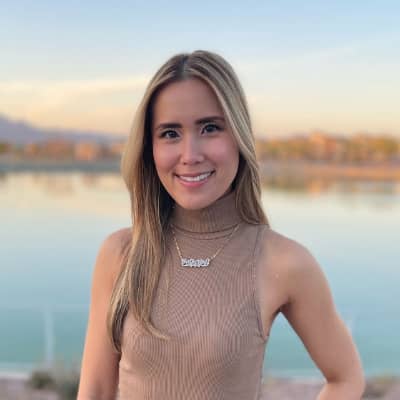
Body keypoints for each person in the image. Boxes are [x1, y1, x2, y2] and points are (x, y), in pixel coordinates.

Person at [77, 50, 365, 399]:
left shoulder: (284, 262)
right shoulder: (121, 253)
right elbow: (95, 390)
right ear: (149, 147)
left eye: (210, 128)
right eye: (170, 133)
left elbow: (346, 378)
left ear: (239, 136)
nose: (190, 155)